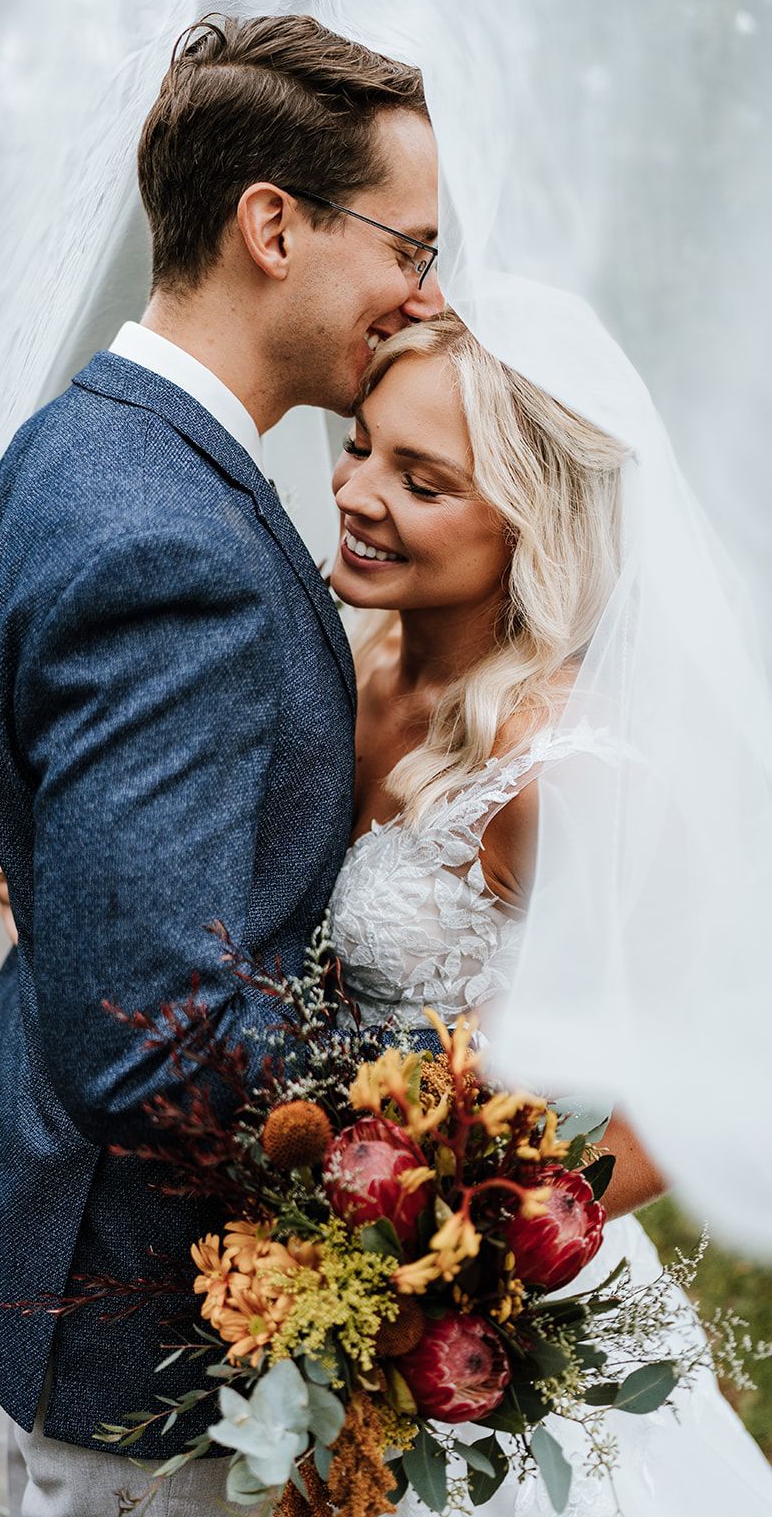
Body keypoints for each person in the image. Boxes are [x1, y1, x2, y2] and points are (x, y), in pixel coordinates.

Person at [0, 12, 442, 1517]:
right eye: (407, 247)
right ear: (272, 225)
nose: (424, 290)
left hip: (59, 1279)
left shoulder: (73, 443)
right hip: (139, 1351)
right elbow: (147, 1034)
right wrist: (446, 1125)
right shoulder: (175, 541)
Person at [326, 311, 772, 1513]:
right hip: (324, 1275)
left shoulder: (557, 770)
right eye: (359, 445)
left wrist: (471, 1259)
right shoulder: (355, 670)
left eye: (418, 480)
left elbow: (687, 1081)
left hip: (487, 1338)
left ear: (527, 525)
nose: (355, 492)